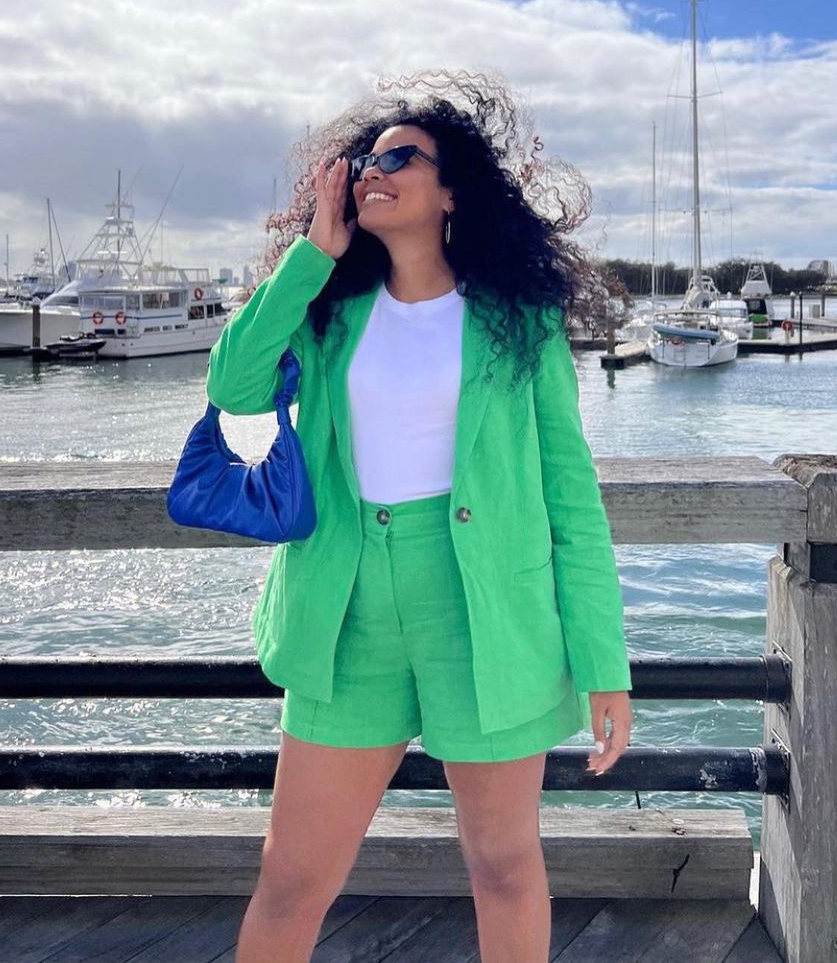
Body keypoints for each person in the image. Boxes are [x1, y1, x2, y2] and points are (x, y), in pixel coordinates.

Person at [212, 74, 633, 963]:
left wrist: (604, 663)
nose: (375, 170)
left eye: (402, 157)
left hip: (486, 611)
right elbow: (234, 386)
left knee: (504, 868)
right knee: (291, 876)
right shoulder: (327, 312)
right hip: (344, 608)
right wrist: (312, 255)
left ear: (451, 193)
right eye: (364, 160)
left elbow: (570, 495)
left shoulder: (518, 322)